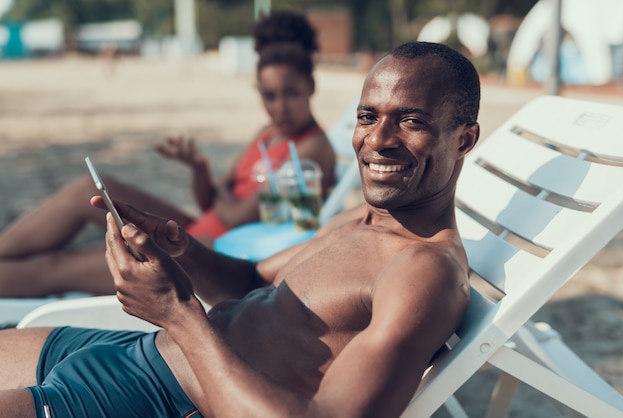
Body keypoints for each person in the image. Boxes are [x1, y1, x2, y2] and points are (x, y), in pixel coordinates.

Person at [0, 41, 481, 417]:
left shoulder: (424, 271)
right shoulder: (360, 219)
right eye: (367, 116)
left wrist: (177, 313)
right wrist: (183, 249)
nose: (377, 140)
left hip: (160, 397)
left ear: (464, 139)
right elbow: (252, 283)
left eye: (411, 121)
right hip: (135, 351)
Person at [0, 10, 335, 298]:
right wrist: (199, 168)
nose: (279, 107)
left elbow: (235, 217)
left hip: (216, 254)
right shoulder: (268, 134)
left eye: (291, 93)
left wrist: (219, 192)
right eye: (269, 95)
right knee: (82, 191)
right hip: (201, 230)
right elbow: (210, 202)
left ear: (312, 87)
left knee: (57, 266)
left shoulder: (311, 148)